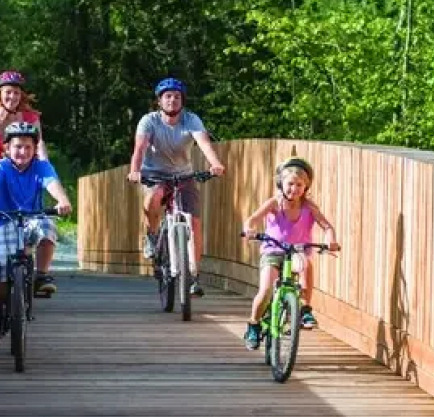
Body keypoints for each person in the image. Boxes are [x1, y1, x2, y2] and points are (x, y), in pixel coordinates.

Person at [0, 121, 73, 343]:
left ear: (34, 149)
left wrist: (62, 200)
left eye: (28, 147)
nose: (23, 152)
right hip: (1, 220)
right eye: (18, 146)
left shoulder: (41, 166)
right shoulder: (0, 167)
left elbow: (53, 184)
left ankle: (41, 275)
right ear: (7, 148)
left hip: (32, 217)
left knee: (48, 226)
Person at [125, 77, 225, 296]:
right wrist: (135, 171)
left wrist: (215, 163)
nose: (172, 100)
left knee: (194, 222)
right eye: (168, 96)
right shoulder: (149, 121)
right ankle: (152, 235)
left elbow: (204, 143)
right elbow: (139, 149)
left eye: (177, 97)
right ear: (159, 100)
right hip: (154, 174)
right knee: (154, 197)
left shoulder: (191, 120)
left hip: (183, 175)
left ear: (183, 101)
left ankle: (193, 275)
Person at [240, 157, 338, 350]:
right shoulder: (274, 203)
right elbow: (252, 219)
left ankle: (305, 309)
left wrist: (330, 239)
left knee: (306, 265)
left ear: (306, 187)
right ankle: (254, 323)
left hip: (298, 252)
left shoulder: (309, 207)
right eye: (290, 184)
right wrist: (249, 229)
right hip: (273, 250)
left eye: (299, 185)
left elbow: (327, 226)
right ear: (281, 184)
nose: (294, 189)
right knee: (266, 289)